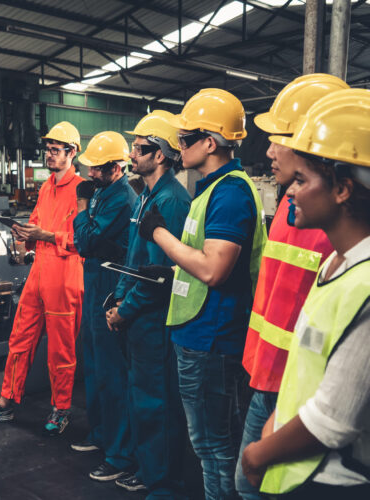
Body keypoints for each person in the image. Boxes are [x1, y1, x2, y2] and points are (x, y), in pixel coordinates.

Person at [241, 88, 370, 500]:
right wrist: (272, 422)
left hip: (329, 481)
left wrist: (257, 454)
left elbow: (335, 419)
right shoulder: (339, 264)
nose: (290, 191)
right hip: (294, 458)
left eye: (302, 179)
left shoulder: (363, 283)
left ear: (343, 189)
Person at [140, 89, 267, 499]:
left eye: (185, 138)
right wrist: (175, 266)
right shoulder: (211, 188)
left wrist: (159, 234)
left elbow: (213, 269)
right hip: (201, 334)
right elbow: (201, 257)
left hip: (210, 339)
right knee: (214, 443)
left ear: (210, 142)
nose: (178, 147)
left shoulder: (229, 192)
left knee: (213, 447)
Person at [0, 121, 84, 435]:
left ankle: (61, 409)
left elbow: (84, 239)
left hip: (65, 276)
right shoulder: (47, 186)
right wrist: (23, 236)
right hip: (38, 274)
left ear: (71, 152)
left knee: (61, 349)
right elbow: (35, 224)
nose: (49, 155)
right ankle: (6, 402)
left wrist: (45, 234)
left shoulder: (82, 190)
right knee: (20, 339)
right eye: (47, 149)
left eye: (55, 150)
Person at [106, 110, 191, 498]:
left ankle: (161, 478)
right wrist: (119, 298)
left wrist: (126, 309)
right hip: (136, 313)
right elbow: (134, 257)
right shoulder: (145, 197)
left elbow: (158, 273)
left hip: (153, 317)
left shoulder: (172, 200)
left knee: (156, 400)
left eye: (139, 148)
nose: (132, 155)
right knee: (141, 397)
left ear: (159, 154)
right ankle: (147, 465)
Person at [72, 131, 137, 481]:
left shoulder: (121, 198)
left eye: (97, 169)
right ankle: (101, 435)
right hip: (94, 281)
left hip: (110, 284)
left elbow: (86, 241)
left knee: (113, 373)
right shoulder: (102, 192)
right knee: (95, 367)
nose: (90, 174)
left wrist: (81, 210)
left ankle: (121, 453)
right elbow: (85, 240)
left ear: (117, 167)